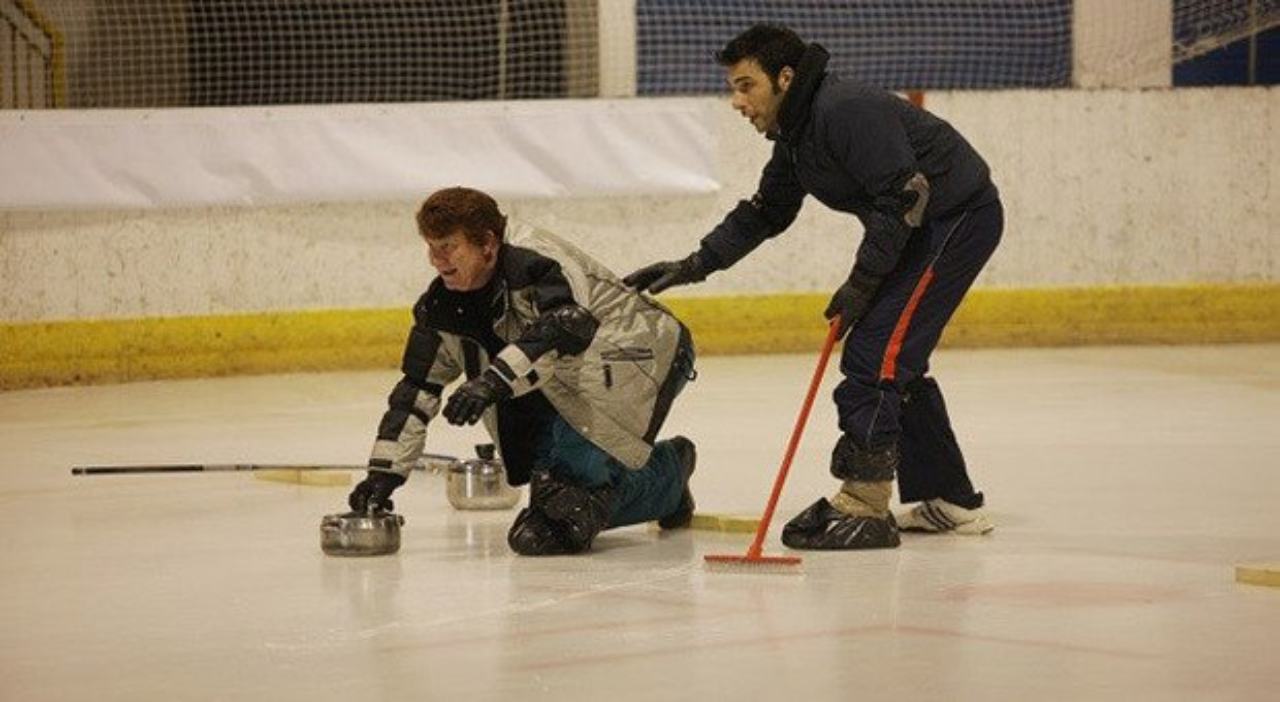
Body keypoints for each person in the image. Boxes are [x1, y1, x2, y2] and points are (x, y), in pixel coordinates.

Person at [624, 24, 1000, 550]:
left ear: (784, 78)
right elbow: (767, 212)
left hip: (953, 220)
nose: (737, 101)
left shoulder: (843, 111)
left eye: (745, 85)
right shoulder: (797, 132)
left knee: (877, 353)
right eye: (733, 87)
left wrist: (863, 282)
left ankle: (865, 503)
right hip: (915, 227)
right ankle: (951, 499)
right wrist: (694, 264)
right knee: (893, 356)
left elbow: (905, 197)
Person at [348, 186, 698, 556]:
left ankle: (667, 477)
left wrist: (491, 382)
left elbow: (564, 331)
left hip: (638, 356)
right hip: (572, 378)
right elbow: (416, 391)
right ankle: (666, 474)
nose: (436, 260)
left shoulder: (538, 263)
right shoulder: (441, 308)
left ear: (487, 243)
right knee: (558, 507)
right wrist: (384, 474)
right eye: (431, 247)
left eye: (447, 246)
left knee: (565, 517)